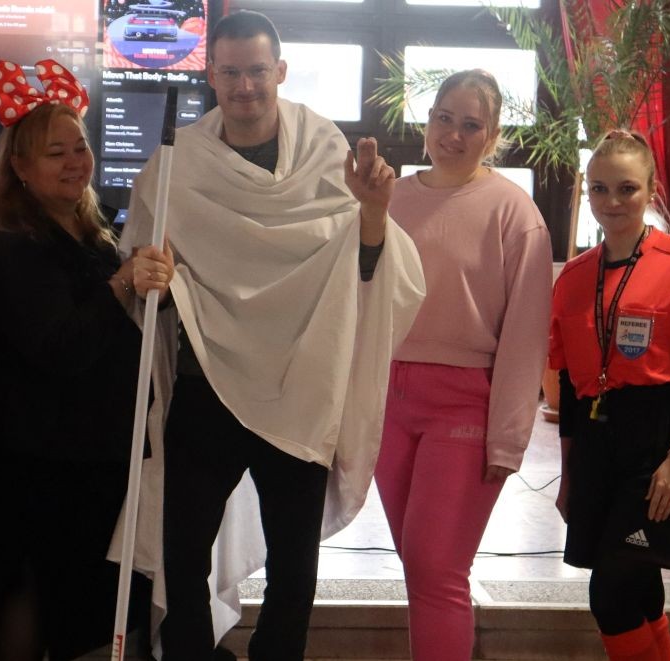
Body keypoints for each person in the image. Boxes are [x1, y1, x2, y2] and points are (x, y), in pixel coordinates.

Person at [118, 10, 426, 661]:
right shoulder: (178, 163)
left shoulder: (323, 152)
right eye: (230, 72)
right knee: (182, 552)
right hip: (208, 383)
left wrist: (373, 212)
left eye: (257, 71)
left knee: (294, 562)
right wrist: (149, 278)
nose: (245, 86)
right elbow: (146, 273)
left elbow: (366, 268)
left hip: (298, 384)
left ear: (280, 71)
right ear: (211, 75)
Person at [0, 59, 173, 660]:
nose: (76, 162)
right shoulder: (11, 242)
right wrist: (122, 284)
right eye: (56, 153)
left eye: (80, 147)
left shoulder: (91, 230)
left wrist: (153, 284)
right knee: (32, 589)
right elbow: (62, 346)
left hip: (88, 456)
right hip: (35, 462)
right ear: (21, 168)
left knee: (83, 598)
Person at [373, 69, 553, 660]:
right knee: (420, 566)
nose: (454, 134)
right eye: (444, 118)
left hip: (464, 406)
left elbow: (526, 335)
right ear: (426, 123)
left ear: (493, 135)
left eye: (471, 125)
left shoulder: (514, 213)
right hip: (387, 401)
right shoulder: (390, 199)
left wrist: (508, 438)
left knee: (437, 568)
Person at [550, 130, 670, 661]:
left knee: (610, 591)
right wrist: (568, 474)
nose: (612, 201)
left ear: (651, 190)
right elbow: (568, 386)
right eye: (600, 188)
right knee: (637, 583)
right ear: (587, 191)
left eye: (627, 188)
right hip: (596, 445)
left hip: (658, 445)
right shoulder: (573, 278)